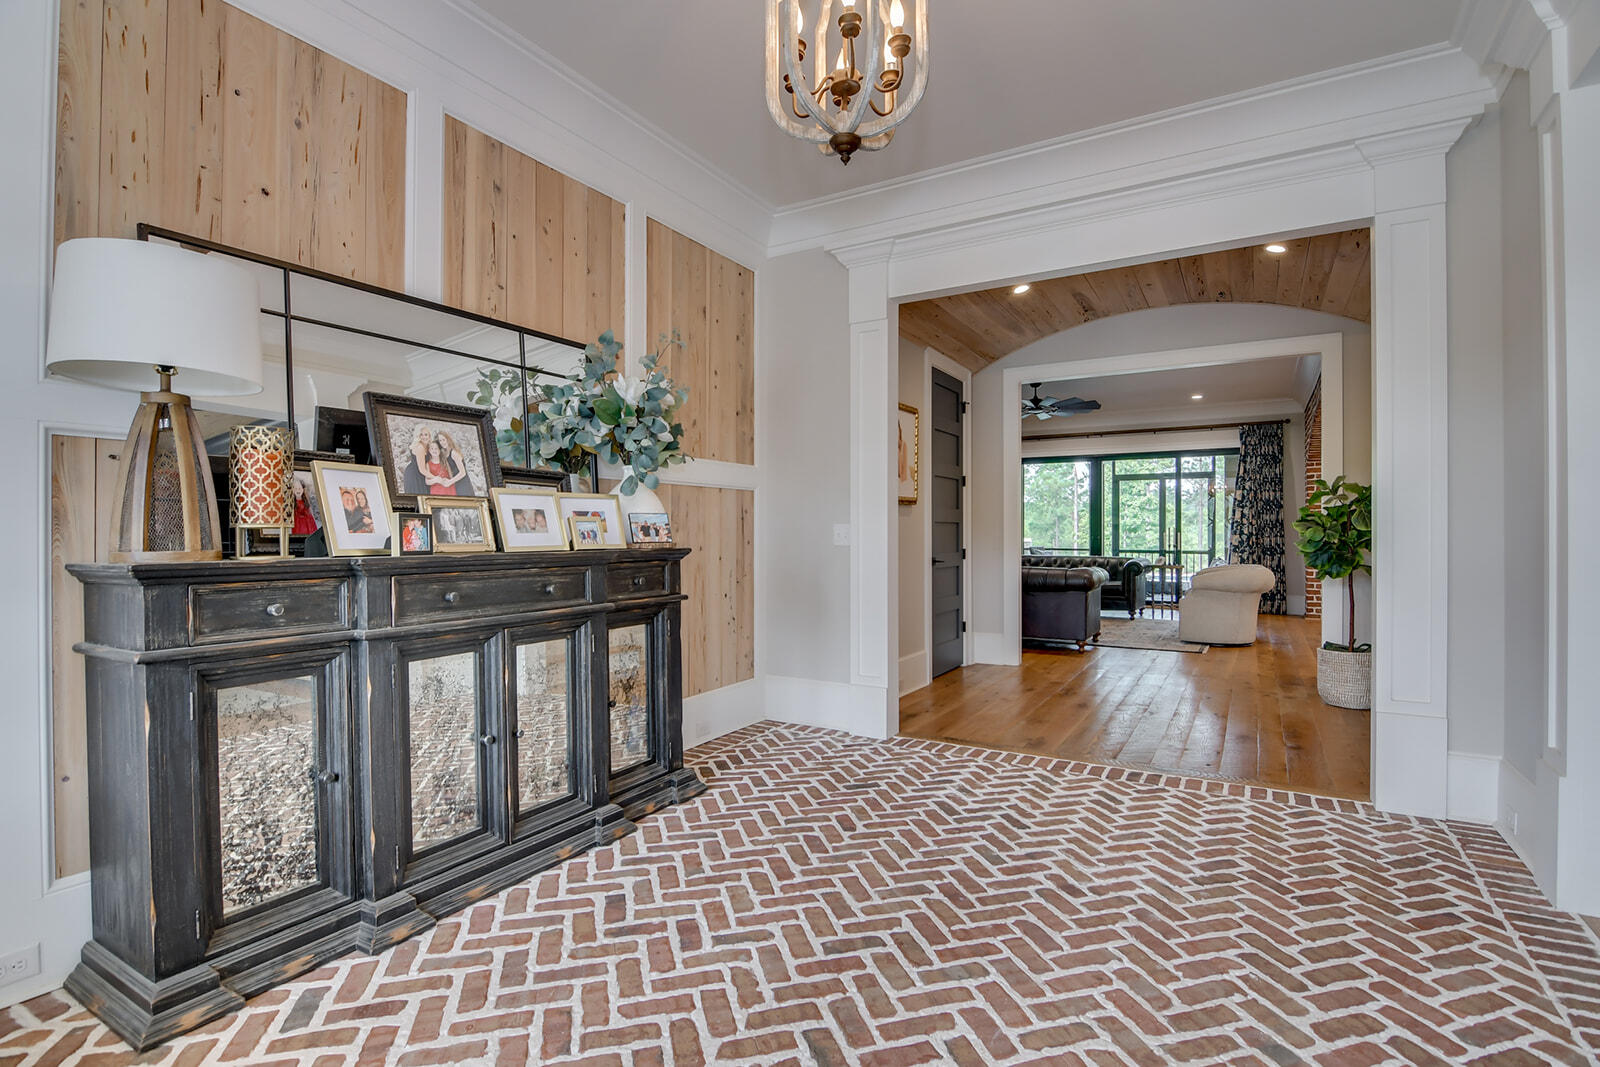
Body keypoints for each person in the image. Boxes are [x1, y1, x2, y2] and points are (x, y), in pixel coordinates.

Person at [435, 431, 474, 495]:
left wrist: (450, 482)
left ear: (448, 439)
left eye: (443, 440)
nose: (442, 442)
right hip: (456, 484)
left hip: (463, 484)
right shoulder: (446, 453)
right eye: (440, 440)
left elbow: (463, 473)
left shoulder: (454, 453)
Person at [403, 425, 432, 496]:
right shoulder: (420, 447)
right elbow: (422, 469)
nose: (424, 437)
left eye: (426, 434)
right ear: (418, 436)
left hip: (421, 474)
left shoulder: (428, 446)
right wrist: (436, 478)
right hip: (414, 475)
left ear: (429, 436)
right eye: (421, 435)